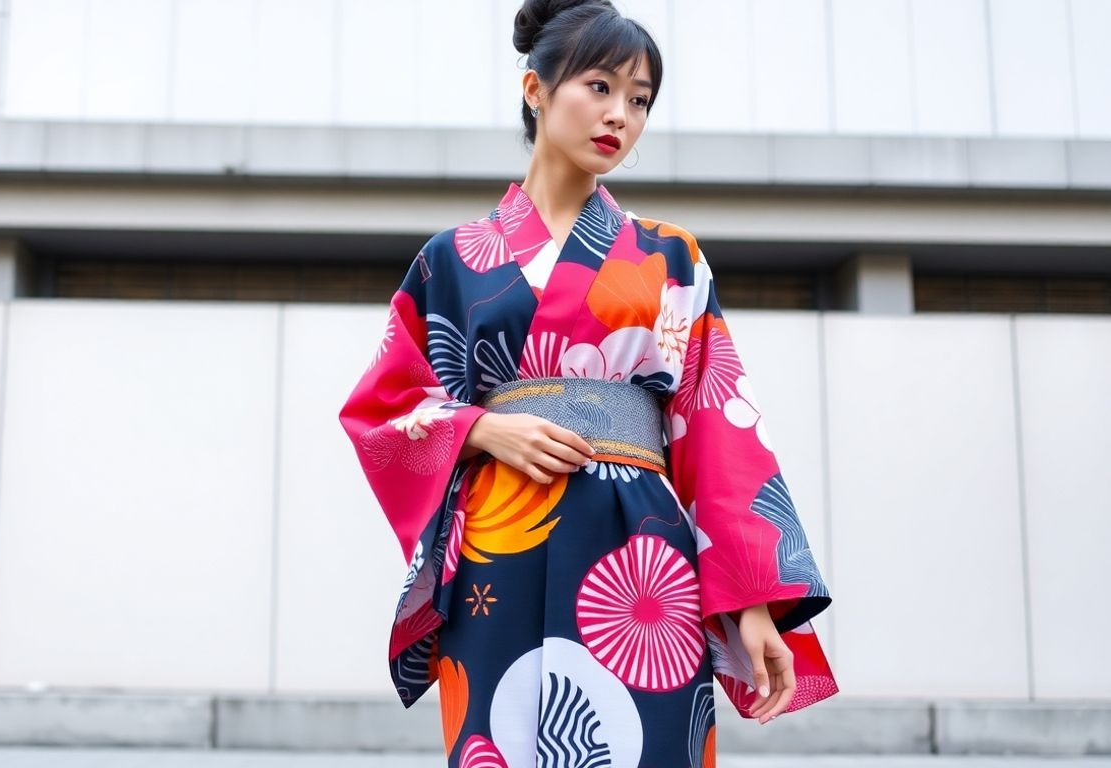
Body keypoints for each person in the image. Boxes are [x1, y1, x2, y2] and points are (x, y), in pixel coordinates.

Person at [337, 1, 839, 764]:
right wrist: (478, 428)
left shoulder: (669, 256)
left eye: (639, 100)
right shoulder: (452, 258)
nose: (621, 117)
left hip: (642, 562)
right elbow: (385, 405)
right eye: (600, 87)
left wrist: (755, 605)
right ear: (535, 89)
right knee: (499, 741)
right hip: (500, 541)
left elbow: (717, 422)